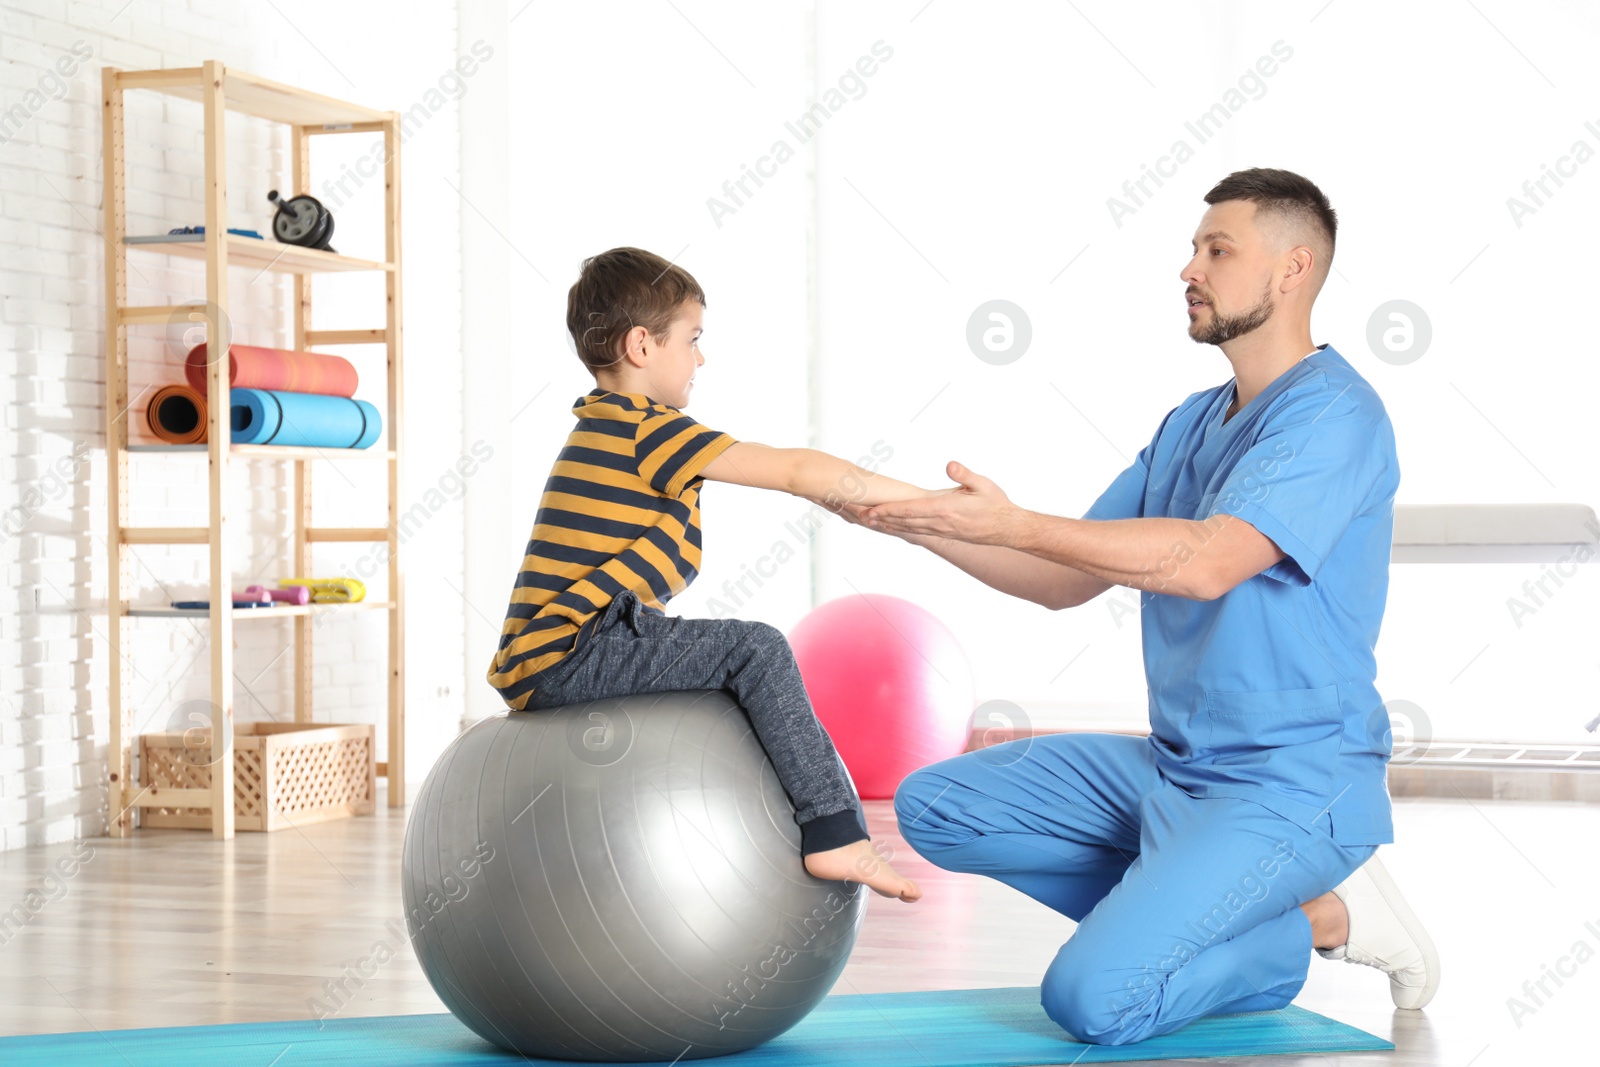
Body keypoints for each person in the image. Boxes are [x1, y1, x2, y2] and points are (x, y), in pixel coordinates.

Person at [846, 169, 1439, 1043]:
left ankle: (1317, 921)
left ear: (1293, 270)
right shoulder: (1189, 423)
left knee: (1095, 999)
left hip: (1292, 785)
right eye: (1196, 248)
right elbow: (1062, 577)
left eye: (1217, 249)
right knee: (938, 805)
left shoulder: (1336, 417)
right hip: (1175, 769)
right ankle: (1205, 909)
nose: (1189, 268)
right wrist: (919, 524)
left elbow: (1207, 563)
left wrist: (1014, 520)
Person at [486, 246, 927, 902]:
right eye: (692, 340)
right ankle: (836, 833)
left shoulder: (601, 427)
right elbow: (795, 470)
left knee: (723, 662)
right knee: (757, 649)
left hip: (555, 653)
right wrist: (929, 508)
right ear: (642, 345)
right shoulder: (649, 431)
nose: (701, 359)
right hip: (570, 653)